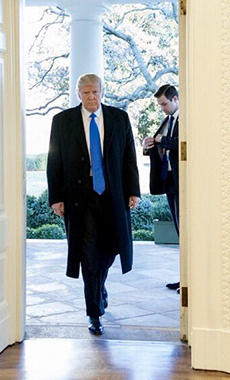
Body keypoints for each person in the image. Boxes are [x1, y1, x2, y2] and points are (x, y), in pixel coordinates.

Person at [47, 73, 140, 336]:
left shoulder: (119, 118)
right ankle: (94, 313)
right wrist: (56, 198)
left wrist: (133, 191)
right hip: (79, 198)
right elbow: (54, 161)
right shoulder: (62, 121)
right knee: (87, 255)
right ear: (78, 94)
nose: (91, 97)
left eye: (95, 92)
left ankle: (99, 287)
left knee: (110, 251)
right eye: (86, 93)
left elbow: (129, 157)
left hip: (112, 195)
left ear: (102, 92)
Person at [143, 84, 180, 291]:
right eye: (160, 105)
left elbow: (182, 142)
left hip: (183, 182)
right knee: (179, 231)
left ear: (175, 99)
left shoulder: (187, 119)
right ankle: (185, 277)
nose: (162, 108)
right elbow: (163, 145)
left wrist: (161, 140)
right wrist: (149, 145)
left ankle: (190, 280)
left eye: (164, 104)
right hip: (169, 183)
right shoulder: (167, 121)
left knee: (186, 232)